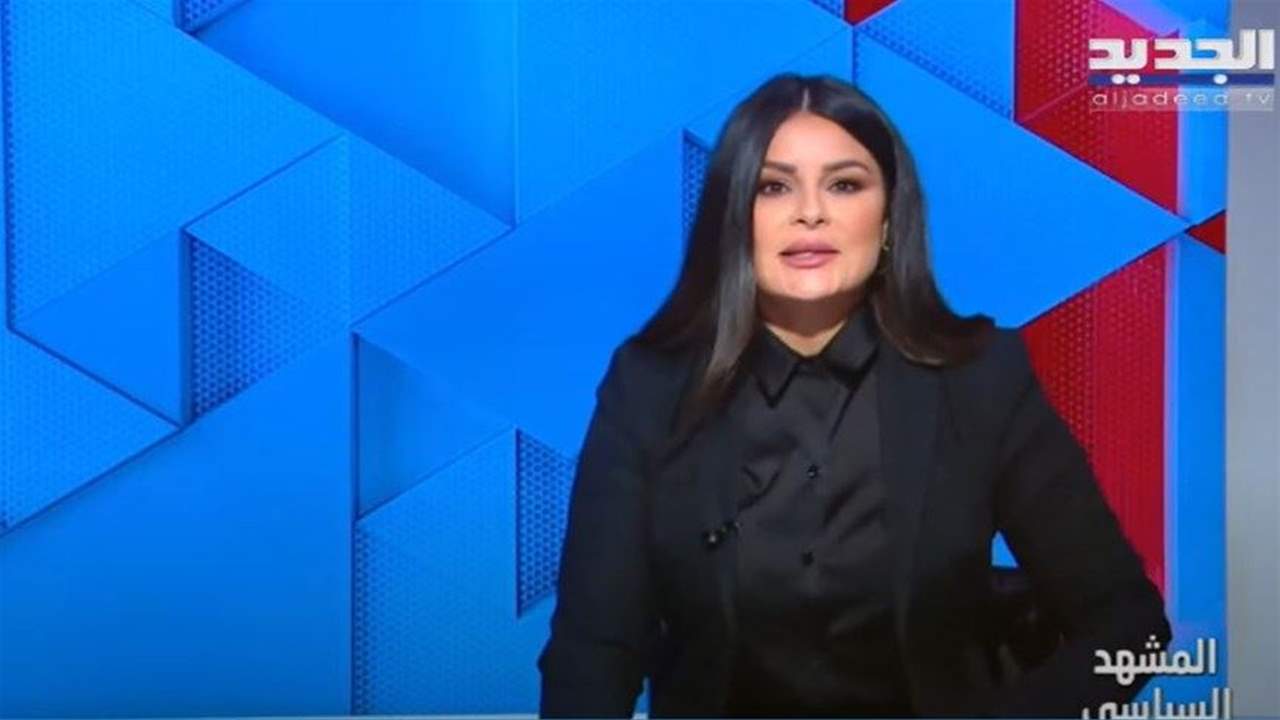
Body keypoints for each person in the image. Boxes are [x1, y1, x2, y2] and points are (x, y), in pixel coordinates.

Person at [536, 72, 1171, 718]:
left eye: (844, 184)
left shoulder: (979, 379)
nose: (810, 212)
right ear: (733, 218)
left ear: (890, 215)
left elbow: (1132, 627)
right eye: (773, 186)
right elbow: (593, 651)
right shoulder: (650, 388)